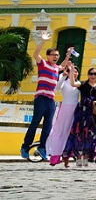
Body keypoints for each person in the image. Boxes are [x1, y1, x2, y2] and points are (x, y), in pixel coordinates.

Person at [20, 31, 64, 161]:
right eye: (53, 55)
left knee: (48, 126)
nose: (55, 57)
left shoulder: (56, 68)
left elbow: (63, 65)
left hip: (51, 100)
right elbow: (35, 54)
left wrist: (67, 55)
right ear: (48, 56)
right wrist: (43, 40)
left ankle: (42, 147)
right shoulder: (43, 63)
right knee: (35, 123)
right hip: (41, 98)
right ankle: (25, 147)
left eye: (57, 55)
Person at [64, 66, 96, 167]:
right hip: (82, 112)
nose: (92, 76)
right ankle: (78, 156)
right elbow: (72, 83)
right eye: (91, 74)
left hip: (93, 114)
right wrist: (71, 72)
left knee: (90, 135)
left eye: (95, 74)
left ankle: (86, 156)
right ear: (88, 75)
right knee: (79, 134)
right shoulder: (83, 84)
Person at [46, 62, 80, 167]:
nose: (74, 73)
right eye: (72, 71)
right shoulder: (64, 83)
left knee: (71, 134)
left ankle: (66, 159)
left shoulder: (79, 84)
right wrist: (63, 76)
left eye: (76, 71)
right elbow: (56, 88)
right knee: (59, 132)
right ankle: (54, 157)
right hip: (65, 109)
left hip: (75, 110)